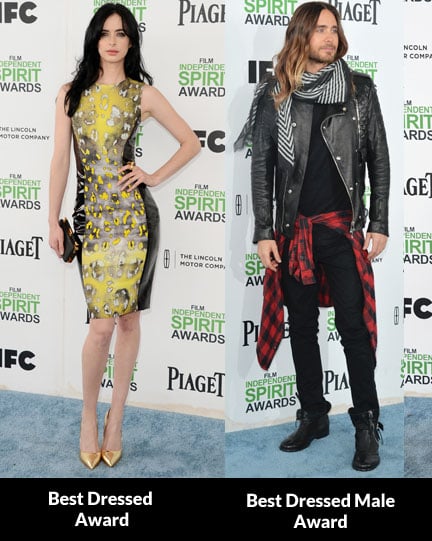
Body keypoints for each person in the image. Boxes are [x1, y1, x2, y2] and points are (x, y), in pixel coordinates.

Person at [235, 2, 390, 471]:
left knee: (353, 328)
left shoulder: (359, 90)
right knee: (301, 326)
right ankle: (313, 414)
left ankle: (366, 423)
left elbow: (378, 159)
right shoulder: (275, 93)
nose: (329, 36)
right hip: (293, 233)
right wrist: (265, 231)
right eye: (320, 29)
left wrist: (378, 222)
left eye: (334, 29)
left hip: (341, 231)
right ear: (301, 34)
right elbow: (262, 167)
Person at [48, 4, 200, 470]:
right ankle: (88, 417)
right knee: (101, 327)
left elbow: (191, 142)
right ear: (94, 39)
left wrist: (152, 176)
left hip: (134, 222)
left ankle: (115, 420)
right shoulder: (71, 94)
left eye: (121, 33)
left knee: (128, 320)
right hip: (93, 222)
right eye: (105, 33)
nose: (112, 41)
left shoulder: (142, 94)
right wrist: (52, 219)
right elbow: (60, 160)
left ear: (132, 41)